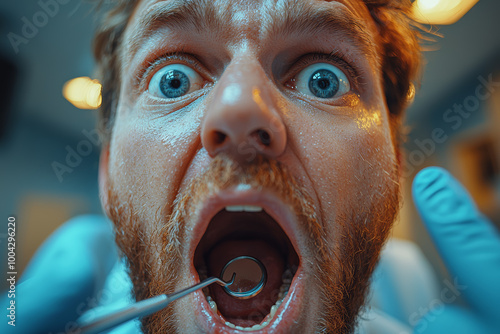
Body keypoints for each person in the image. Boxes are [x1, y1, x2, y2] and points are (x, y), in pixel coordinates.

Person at [2, 0, 500, 333]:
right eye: (173, 79)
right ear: (108, 176)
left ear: (392, 166)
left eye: (324, 79)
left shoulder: (408, 284)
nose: (240, 108)